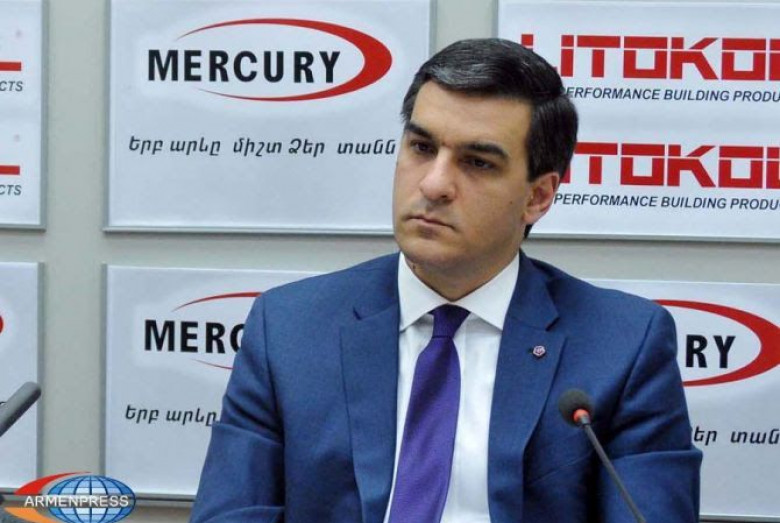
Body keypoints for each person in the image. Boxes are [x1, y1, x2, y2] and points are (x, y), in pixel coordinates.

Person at [191, 38, 701, 523]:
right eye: (421, 147)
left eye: (477, 162)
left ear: (538, 197)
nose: (434, 184)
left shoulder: (623, 346)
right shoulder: (288, 328)